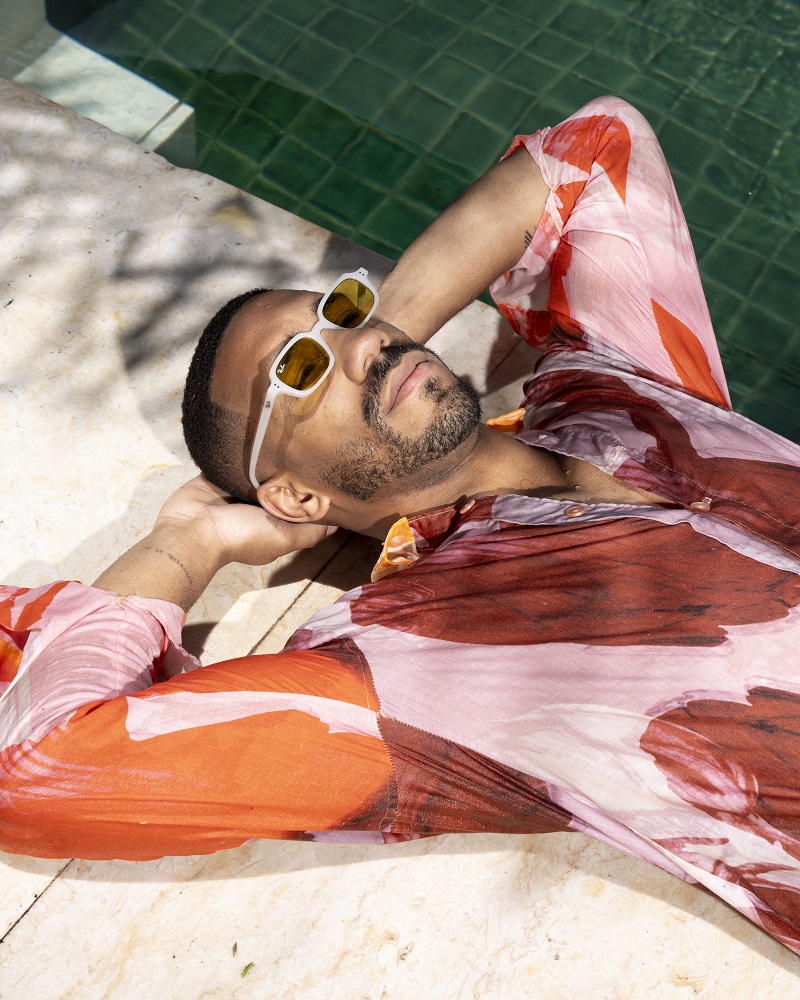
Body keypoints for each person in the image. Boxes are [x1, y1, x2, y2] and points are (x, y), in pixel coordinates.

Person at [2, 96, 800, 954]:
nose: (360, 345)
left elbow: (595, 146)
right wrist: (189, 542)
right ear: (295, 497)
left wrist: (384, 348)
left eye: (342, 314)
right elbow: (42, 767)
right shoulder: (413, 664)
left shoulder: (615, 384)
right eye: (299, 371)